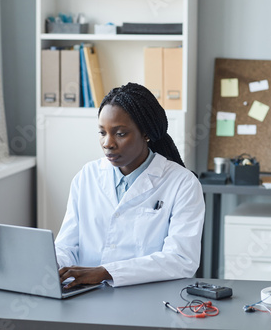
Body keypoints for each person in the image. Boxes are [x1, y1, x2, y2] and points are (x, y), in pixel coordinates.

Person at [55, 82, 205, 288]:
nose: (108, 143)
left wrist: (105, 272)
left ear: (146, 133)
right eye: (102, 133)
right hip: (87, 295)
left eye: (120, 133)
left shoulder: (183, 183)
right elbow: (66, 245)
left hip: (148, 297)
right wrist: (52, 264)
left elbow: (181, 260)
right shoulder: (86, 177)